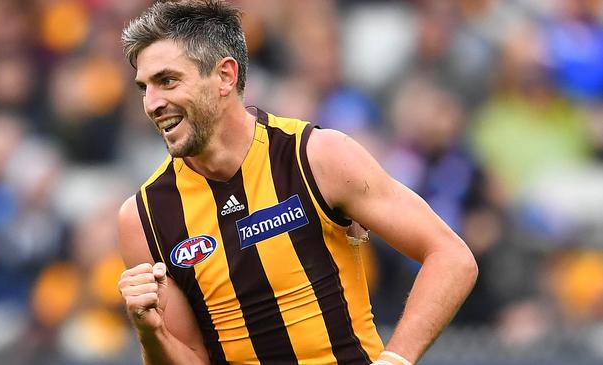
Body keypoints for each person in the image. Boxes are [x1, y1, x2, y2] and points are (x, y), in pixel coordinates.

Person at [116, 1, 477, 364]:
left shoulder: (318, 157)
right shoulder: (143, 217)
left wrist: (395, 360)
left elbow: (451, 257)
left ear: (226, 76)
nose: (152, 103)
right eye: (144, 87)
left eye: (167, 80)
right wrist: (152, 332)